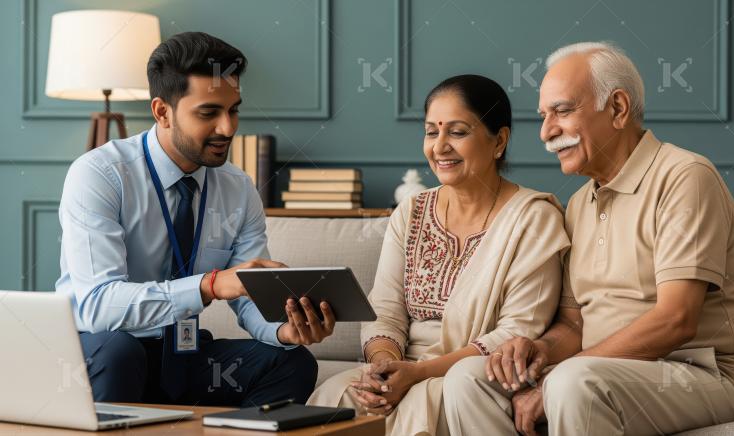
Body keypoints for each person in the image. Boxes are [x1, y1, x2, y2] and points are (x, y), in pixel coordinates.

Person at [443, 42, 734, 435]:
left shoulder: (685, 178)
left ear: (618, 108)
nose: (546, 132)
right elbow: (575, 323)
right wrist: (541, 351)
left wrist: (557, 377)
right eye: (543, 116)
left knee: (572, 383)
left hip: (705, 373)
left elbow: (676, 320)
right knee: (467, 379)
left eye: (562, 111)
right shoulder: (579, 203)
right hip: (601, 371)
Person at [56, 32, 335, 406]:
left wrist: (285, 330)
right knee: (120, 352)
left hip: (182, 355)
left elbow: (250, 296)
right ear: (162, 112)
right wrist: (209, 286)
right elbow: (98, 306)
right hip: (104, 352)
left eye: (233, 110)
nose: (228, 128)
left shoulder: (238, 188)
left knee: (291, 363)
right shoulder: (100, 175)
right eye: (209, 113)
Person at [307, 74, 570, 435]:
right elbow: (385, 309)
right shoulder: (412, 211)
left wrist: (417, 374)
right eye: (432, 132)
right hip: (403, 368)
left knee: (435, 398)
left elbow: (517, 331)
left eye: (458, 132)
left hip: (478, 375)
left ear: (499, 141)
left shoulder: (534, 218)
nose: (440, 146)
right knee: (334, 397)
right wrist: (385, 369)